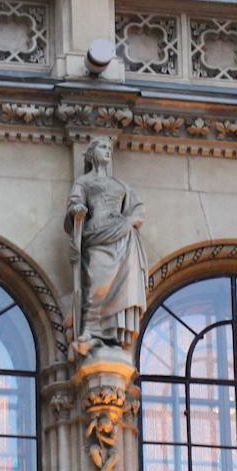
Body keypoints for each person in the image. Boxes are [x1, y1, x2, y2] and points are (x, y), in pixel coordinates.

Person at [64, 135, 148, 355]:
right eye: (102, 147)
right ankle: (90, 329)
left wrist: (129, 222)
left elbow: (138, 208)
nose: (108, 150)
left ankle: (108, 332)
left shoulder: (120, 185)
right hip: (97, 234)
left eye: (109, 147)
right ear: (92, 154)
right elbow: (74, 202)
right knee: (97, 283)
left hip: (122, 237)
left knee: (121, 286)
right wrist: (77, 211)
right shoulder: (84, 182)